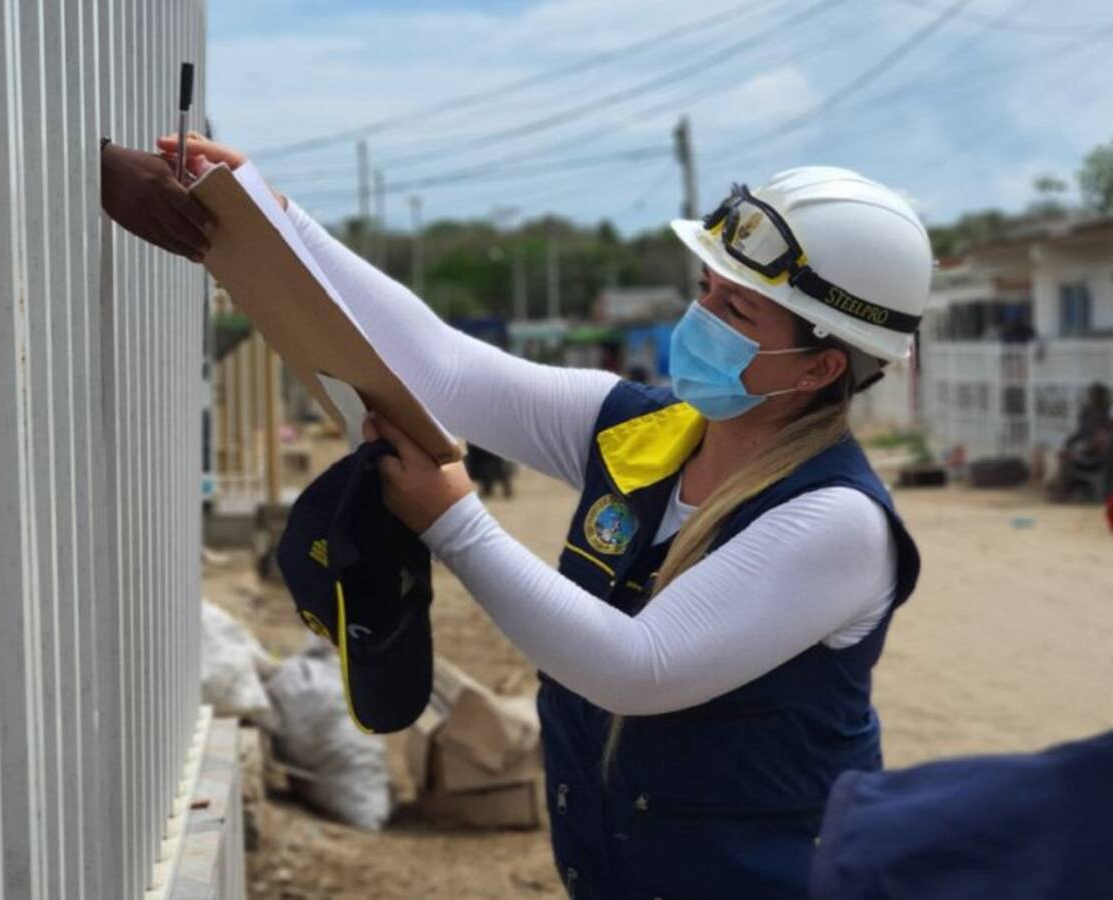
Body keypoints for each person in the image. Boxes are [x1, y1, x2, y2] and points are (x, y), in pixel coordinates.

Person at [147, 139, 932, 899]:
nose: (704, 319)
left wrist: (456, 523)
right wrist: (278, 221)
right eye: (707, 290)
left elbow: (637, 667)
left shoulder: (836, 522)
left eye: (740, 312)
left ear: (823, 367)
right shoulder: (639, 432)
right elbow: (444, 367)